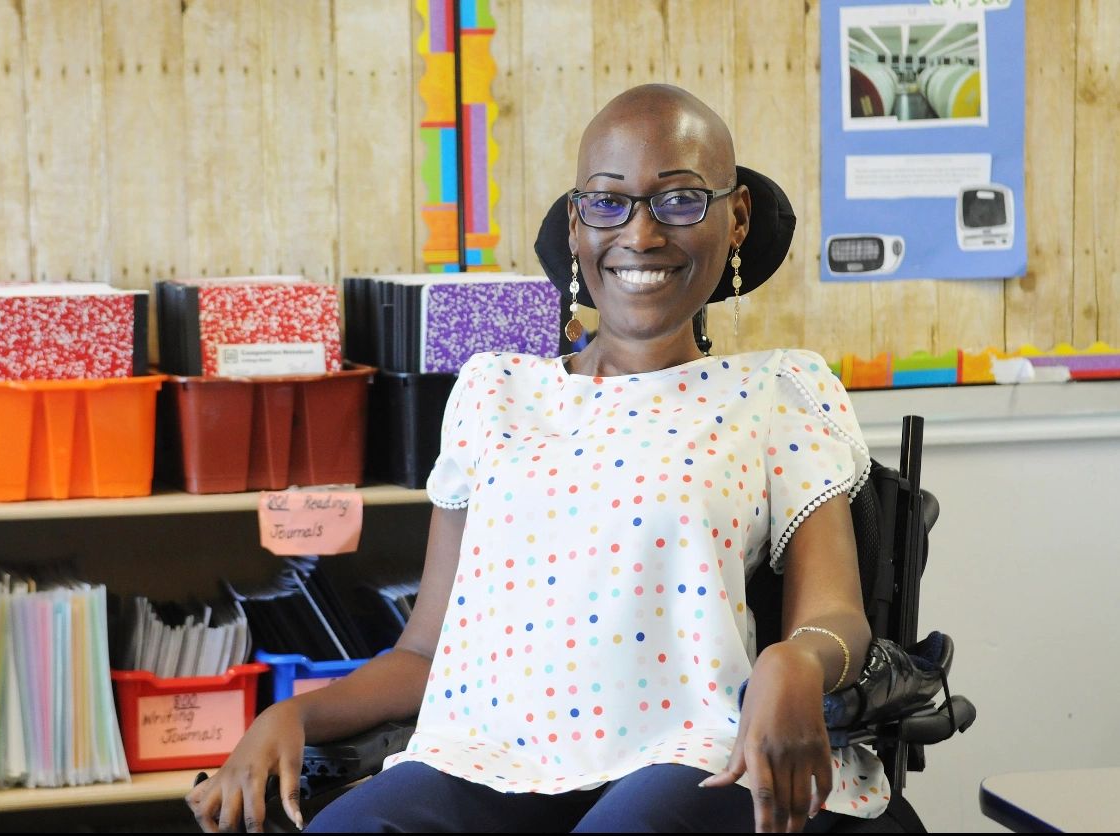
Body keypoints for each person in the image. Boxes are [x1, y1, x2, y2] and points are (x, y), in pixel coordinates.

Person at [187, 83, 887, 834]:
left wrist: (795, 662)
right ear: (576, 223)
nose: (642, 235)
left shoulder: (777, 391)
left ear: (736, 216)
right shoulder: (496, 394)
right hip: (481, 756)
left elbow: (835, 612)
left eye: (680, 200)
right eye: (609, 202)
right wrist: (290, 715)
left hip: (688, 752)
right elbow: (423, 651)